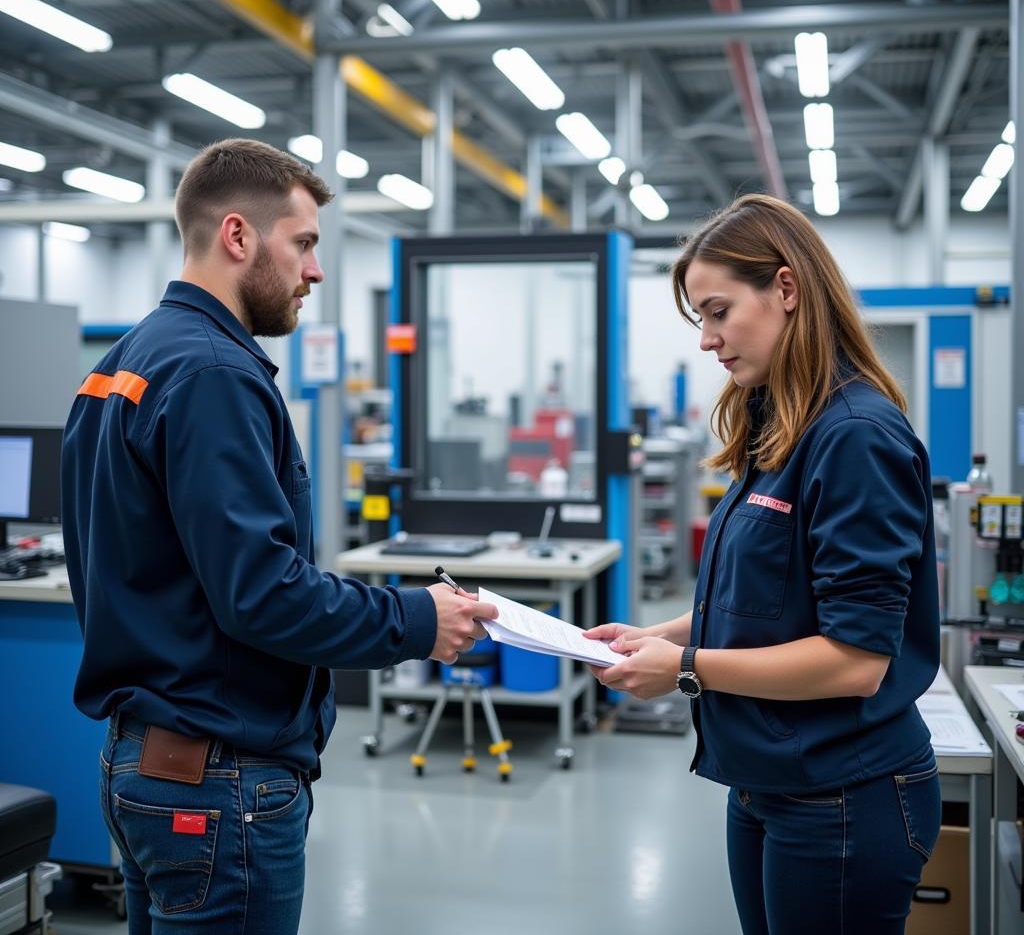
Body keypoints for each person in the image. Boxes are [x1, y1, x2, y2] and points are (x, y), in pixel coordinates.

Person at [60, 138, 498, 934]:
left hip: (142, 769)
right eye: (303, 244)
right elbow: (261, 594)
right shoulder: (214, 374)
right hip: (218, 782)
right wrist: (419, 620)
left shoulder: (122, 364)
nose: (315, 270)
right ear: (237, 236)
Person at [586, 194, 940, 934]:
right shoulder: (775, 420)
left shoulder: (855, 436)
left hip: (843, 794)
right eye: (700, 321)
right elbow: (758, 598)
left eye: (718, 312)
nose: (708, 340)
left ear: (785, 289)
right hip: (764, 784)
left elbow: (855, 660)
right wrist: (652, 636)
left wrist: (685, 667)